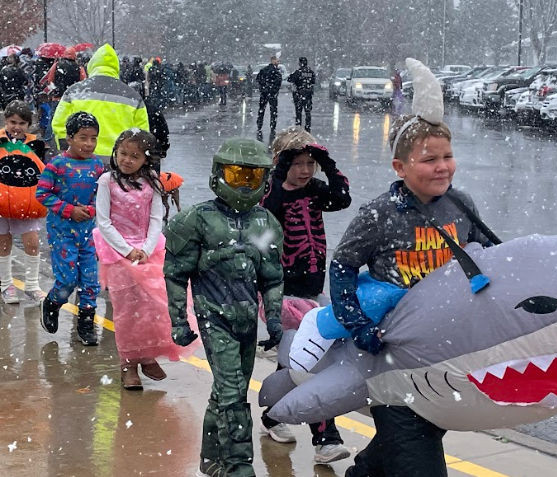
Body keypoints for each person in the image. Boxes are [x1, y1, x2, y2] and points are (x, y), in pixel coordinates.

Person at [331, 113, 493, 477]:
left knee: (413, 437)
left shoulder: (461, 205)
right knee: (416, 452)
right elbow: (342, 267)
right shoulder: (379, 213)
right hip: (394, 359)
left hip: (447, 355)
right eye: (429, 159)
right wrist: (358, 325)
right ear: (400, 167)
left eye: (447, 156)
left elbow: (486, 259)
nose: (442, 168)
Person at [164, 138, 284, 477]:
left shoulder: (266, 224)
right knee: (232, 394)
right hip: (213, 315)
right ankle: (238, 466)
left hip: (246, 320)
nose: (245, 184)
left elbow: (272, 277)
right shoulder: (197, 220)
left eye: (252, 177)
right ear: (219, 175)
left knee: (229, 390)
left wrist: (273, 319)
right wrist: (179, 320)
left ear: (264, 179)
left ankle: (212, 458)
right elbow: (176, 272)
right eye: (236, 176)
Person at [257, 128, 353, 464]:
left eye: (310, 162)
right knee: (312, 362)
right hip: (283, 295)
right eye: (297, 163)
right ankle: (326, 438)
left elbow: (343, 198)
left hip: (313, 291)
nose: (305, 170)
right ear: (281, 163)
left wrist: (327, 163)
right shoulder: (273, 194)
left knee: (294, 362)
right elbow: (268, 213)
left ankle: (274, 414)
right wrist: (280, 172)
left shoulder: (314, 191)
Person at [94, 129, 191, 389]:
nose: (126, 160)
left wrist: (146, 249)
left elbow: (155, 219)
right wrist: (127, 250)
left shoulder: (152, 183)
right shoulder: (107, 181)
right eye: (122, 153)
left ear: (146, 159)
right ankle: (128, 365)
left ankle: (147, 355)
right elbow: (103, 221)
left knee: (154, 307)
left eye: (134, 156)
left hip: (148, 251)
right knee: (126, 312)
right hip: (117, 253)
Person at [36, 112, 105, 345]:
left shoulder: (97, 165)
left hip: (88, 233)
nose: (89, 144)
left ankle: (86, 324)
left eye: (93, 138)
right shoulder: (56, 165)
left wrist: (93, 209)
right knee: (67, 280)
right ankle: (53, 302)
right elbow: (42, 194)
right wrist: (68, 210)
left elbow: (102, 196)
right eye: (83, 137)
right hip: (62, 232)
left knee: (90, 280)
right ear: (69, 138)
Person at [0, 100, 47, 305]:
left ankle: (32, 285)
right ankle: (6, 285)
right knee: (3, 243)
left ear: (28, 126)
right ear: (5, 121)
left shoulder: (33, 143)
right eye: (12, 122)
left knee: (32, 243)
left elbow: (42, 169)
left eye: (22, 123)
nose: (16, 127)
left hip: (26, 203)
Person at [51, 44, 149, 164]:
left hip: (81, 160)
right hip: (119, 163)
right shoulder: (133, 96)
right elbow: (142, 134)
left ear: (92, 65)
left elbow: (59, 124)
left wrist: (67, 150)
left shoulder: (74, 91)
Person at [256, 56, 283, 142]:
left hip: (264, 93)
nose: (278, 62)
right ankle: (272, 126)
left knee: (261, 109)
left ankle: (259, 125)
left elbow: (258, 79)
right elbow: (278, 82)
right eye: (277, 61)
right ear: (273, 61)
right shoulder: (276, 72)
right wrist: (274, 90)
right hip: (272, 94)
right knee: (273, 110)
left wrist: (263, 88)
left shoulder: (264, 70)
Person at [288, 57, 316, 132]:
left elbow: (290, 79)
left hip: (299, 95)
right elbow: (313, 81)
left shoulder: (297, 72)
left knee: (298, 112)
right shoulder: (311, 72)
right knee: (308, 112)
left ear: (300, 63)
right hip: (308, 95)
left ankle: (299, 127)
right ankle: (308, 127)